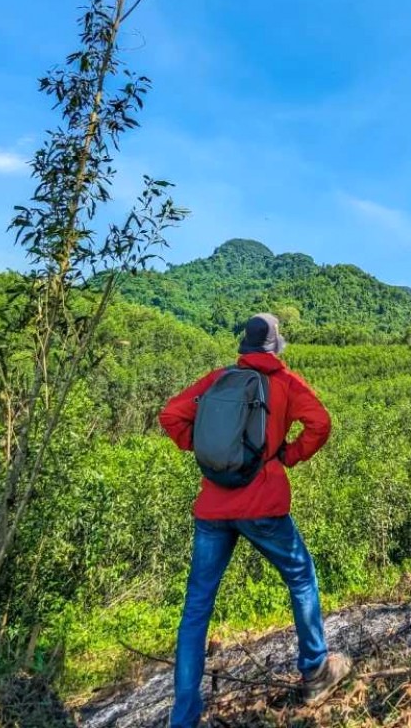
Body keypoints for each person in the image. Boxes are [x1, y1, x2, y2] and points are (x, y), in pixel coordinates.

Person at [159, 312, 352, 728]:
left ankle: (183, 717)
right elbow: (321, 424)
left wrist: (209, 452)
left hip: (213, 508)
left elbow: (171, 416)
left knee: (196, 609)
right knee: (300, 577)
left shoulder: (217, 379)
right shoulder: (285, 382)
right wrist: (289, 455)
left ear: (244, 347)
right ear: (276, 345)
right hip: (264, 503)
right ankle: (316, 671)